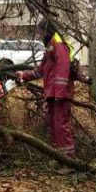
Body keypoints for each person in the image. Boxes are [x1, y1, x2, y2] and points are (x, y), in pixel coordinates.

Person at [16, 21, 76, 157]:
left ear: (46, 31)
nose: (39, 35)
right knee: (55, 126)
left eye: (40, 32)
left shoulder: (58, 45)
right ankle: (60, 157)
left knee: (61, 126)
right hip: (53, 93)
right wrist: (24, 75)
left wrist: (59, 93)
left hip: (59, 94)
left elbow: (63, 69)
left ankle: (69, 159)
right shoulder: (51, 47)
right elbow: (42, 70)